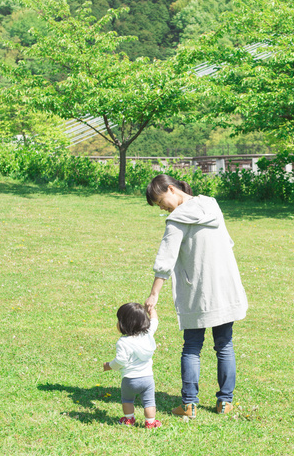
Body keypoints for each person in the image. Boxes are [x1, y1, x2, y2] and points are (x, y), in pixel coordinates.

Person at [144, 174, 248, 418]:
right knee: (225, 344)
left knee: (192, 347)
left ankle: (189, 405)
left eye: (160, 201)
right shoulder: (212, 204)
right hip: (224, 286)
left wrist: (153, 294)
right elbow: (228, 243)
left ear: (171, 189)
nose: (161, 208)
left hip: (197, 291)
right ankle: (225, 402)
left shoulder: (177, 219)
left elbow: (165, 259)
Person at [103, 302, 161, 428]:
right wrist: (152, 310)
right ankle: (150, 422)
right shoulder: (148, 334)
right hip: (147, 379)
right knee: (149, 402)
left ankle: (129, 419)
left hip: (129, 380)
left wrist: (109, 365)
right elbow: (154, 321)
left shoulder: (123, 342)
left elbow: (120, 361)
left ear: (124, 325)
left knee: (127, 400)